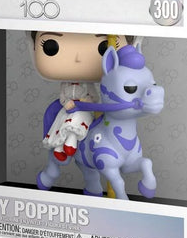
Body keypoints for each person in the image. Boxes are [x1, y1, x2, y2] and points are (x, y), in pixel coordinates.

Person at [32, 31, 128, 161]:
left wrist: (84, 101)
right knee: (61, 120)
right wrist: (66, 103)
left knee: (77, 119)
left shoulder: (87, 84)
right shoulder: (65, 84)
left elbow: (94, 98)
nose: (77, 58)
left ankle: (71, 141)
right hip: (68, 108)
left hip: (82, 109)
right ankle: (58, 146)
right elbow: (62, 97)